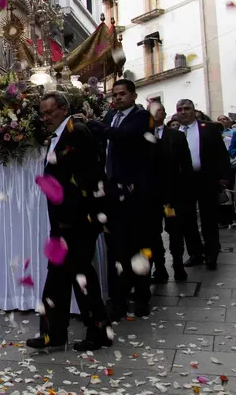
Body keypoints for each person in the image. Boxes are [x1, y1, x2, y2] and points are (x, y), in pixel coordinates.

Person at [27, 92, 110, 351]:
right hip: (63, 220)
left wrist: (73, 216)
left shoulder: (77, 132)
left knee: (81, 276)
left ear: (63, 109)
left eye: (49, 112)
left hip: (77, 220)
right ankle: (54, 333)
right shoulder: (60, 135)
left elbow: (87, 177)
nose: (45, 118)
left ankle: (97, 331)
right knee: (58, 276)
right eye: (42, 113)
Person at [86, 79, 157, 319]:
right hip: (111, 193)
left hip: (134, 193)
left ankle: (142, 299)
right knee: (115, 248)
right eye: (114, 95)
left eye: (122, 94)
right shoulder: (110, 117)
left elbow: (125, 135)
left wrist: (98, 126)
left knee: (137, 246)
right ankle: (118, 300)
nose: (117, 98)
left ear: (133, 96)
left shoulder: (141, 116)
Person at [174, 99, 233, 270]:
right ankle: (195, 253)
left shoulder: (208, 128)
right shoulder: (174, 132)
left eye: (187, 109)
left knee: (209, 218)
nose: (183, 112)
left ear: (194, 111)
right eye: (180, 109)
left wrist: (224, 176)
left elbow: (221, 153)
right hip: (184, 181)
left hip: (206, 178)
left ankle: (211, 253)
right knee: (187, 218)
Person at [150, 102, 192, 283]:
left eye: (158, 110)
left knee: (174, 229)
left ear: (165, 113)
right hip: (151, 195)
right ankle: (159, 267)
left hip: (172, 195)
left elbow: (186, 165)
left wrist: (185, 190)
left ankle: (178, 264)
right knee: (153, 232)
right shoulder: (142, 136)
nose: (155, 113)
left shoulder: (176, 136)